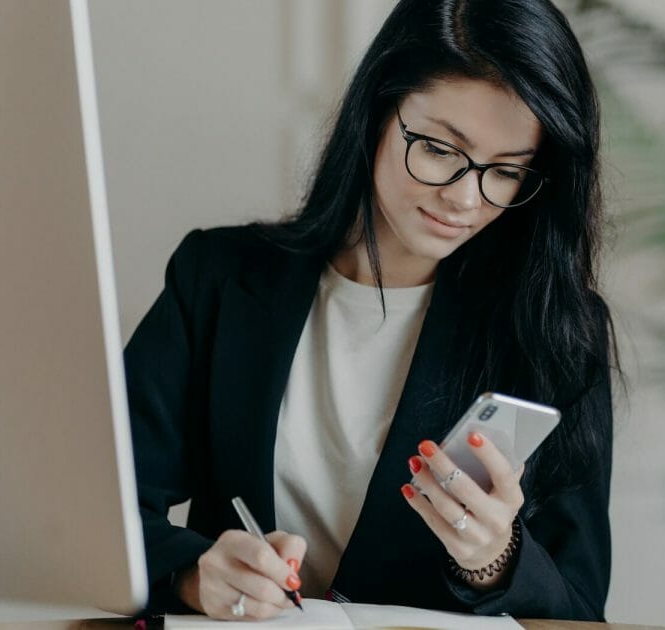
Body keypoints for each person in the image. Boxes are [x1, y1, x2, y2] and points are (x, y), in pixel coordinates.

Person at [126, 0, 615, 622]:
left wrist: (496, 558)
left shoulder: (555, 334)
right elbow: (104, 512)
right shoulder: (220, 278)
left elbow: (579, 610)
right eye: (440, 149)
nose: (465, 198)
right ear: (377, 112)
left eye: (506, 170)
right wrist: (197, 575)